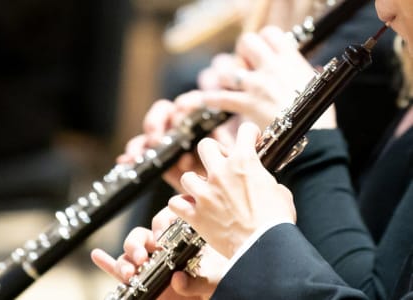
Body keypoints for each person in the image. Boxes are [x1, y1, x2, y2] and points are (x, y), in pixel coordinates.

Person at [90, 0, 413, 299]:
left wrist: (258, 242)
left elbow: (371, 291)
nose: (381, 8)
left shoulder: (373, 40)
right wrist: (233, 275)